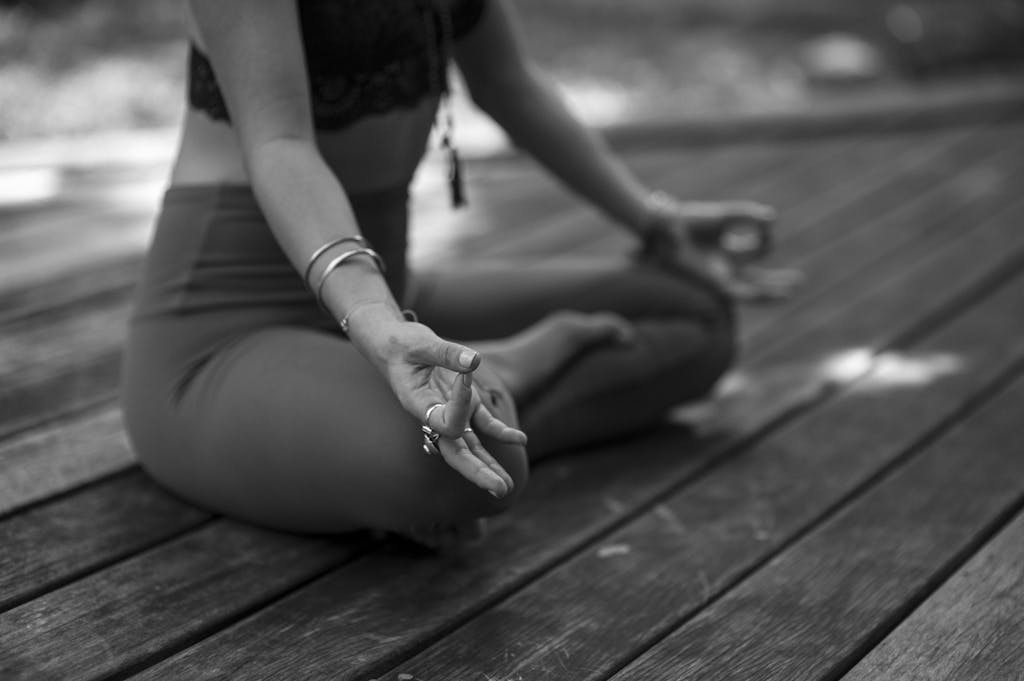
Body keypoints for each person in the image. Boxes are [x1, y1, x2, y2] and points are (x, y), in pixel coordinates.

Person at [120, 0, 796, 545]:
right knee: (467, 472)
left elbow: (508, 84)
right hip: (226, 333)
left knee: (696, 311)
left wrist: (654, 222)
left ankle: (482, 396)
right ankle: (498, 384)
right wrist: (380, 324)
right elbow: (279, 143)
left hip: (395, 294)